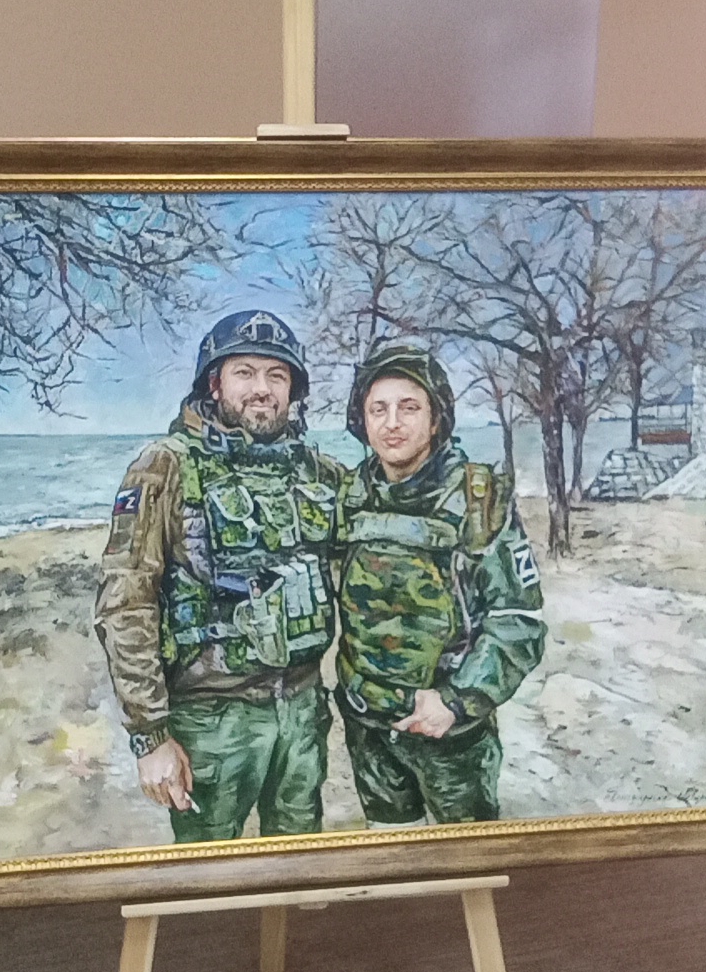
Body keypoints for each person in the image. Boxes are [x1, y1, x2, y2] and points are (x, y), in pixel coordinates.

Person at [93, 310, 344, 843]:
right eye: (244, 373)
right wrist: (150, 735)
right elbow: (126, 600)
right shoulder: (165, 466)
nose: (262, 389)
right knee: (209, 876)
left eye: (277, 375)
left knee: (300, 867)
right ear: (215, 383)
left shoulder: (316, 471)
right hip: (210, 723)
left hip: (301, 710)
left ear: (292, 390)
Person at [334, 344, 547, 825]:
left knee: (467, 859)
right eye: (378, 409)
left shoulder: (478, 501)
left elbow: (518, 620)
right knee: (391, 854)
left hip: (452, 738)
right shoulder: (348, 496)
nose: (392, 423)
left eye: (409, 407)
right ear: (362, 421)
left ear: (436, 420)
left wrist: (455, 701)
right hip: (368, 727)